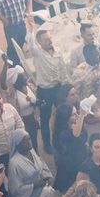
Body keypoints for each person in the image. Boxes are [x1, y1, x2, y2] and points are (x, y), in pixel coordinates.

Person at [26, 18, 69, 154]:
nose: (49, 41)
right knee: (44, 118)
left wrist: (65, 84)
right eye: (45, 40)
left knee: (62, 115)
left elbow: (63, 68)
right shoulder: (38, 53)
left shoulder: (58, 51)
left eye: (49, 38)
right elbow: (31, 45)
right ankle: (46, 143)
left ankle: (60, 140)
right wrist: (31, 30)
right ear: (39, 42)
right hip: (44, 91)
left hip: (57, 88)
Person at [8, 129, 54, 197]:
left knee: (49, 190)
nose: (29, 142)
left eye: (29, 138)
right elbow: (15, 189)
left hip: (38, 188)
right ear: (18, 144)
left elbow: (42, 165)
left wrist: (47, 176)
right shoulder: (14, 163)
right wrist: (35, 185)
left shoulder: (32, 152)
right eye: (25, 141)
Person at [52, 85, 89, 192]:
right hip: (71, 169)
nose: (76, 115)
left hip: (82, 161)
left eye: (76, 113)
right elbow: (75, 135)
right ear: (65, 118)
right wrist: (82, 114)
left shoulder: (75, 125)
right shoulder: (63, 133)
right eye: (73, 114)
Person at [2, 67, 40, 150]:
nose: (26, 77)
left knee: (35, 142)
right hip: (24, 122)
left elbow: (35, 101)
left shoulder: (29, 87)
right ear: (17, 80)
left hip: (33, 118)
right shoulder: (13, 95)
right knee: (28, 144)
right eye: (23, 76)